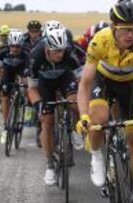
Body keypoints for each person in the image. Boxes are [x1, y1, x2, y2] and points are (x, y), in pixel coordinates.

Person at [76, 1, 133, 202]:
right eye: (125, 29)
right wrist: (83, 114)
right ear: (113, 27)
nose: (131, 34)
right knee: (98, 118)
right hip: (104, 80)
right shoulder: (99, 41)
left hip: (131, 83)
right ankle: (96, 156)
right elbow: (84, 85)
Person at [28, 27, 80, 185]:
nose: (60, 54)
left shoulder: (69, 53)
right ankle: (50, 165)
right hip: (44, 83)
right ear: (47, 50)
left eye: (62, 50)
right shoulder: (35, 57)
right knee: (47, 121)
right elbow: (32, 88)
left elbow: (81, 80)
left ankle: (75, 132)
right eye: (56, 51)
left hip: (65, 77)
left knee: (75, 103)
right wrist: (39, 106)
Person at [0, 30, 30, 143]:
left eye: (18, 47)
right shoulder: (2, 52)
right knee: (5, 96)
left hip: (22, 70)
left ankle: (26, 105)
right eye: (12, 46)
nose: (15, 49)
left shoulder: (27, 53)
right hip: (8, 71)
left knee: (26, 85)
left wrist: (25, 81)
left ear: (22, 45)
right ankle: (6, 127)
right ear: (9, 45)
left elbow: (30, 74)